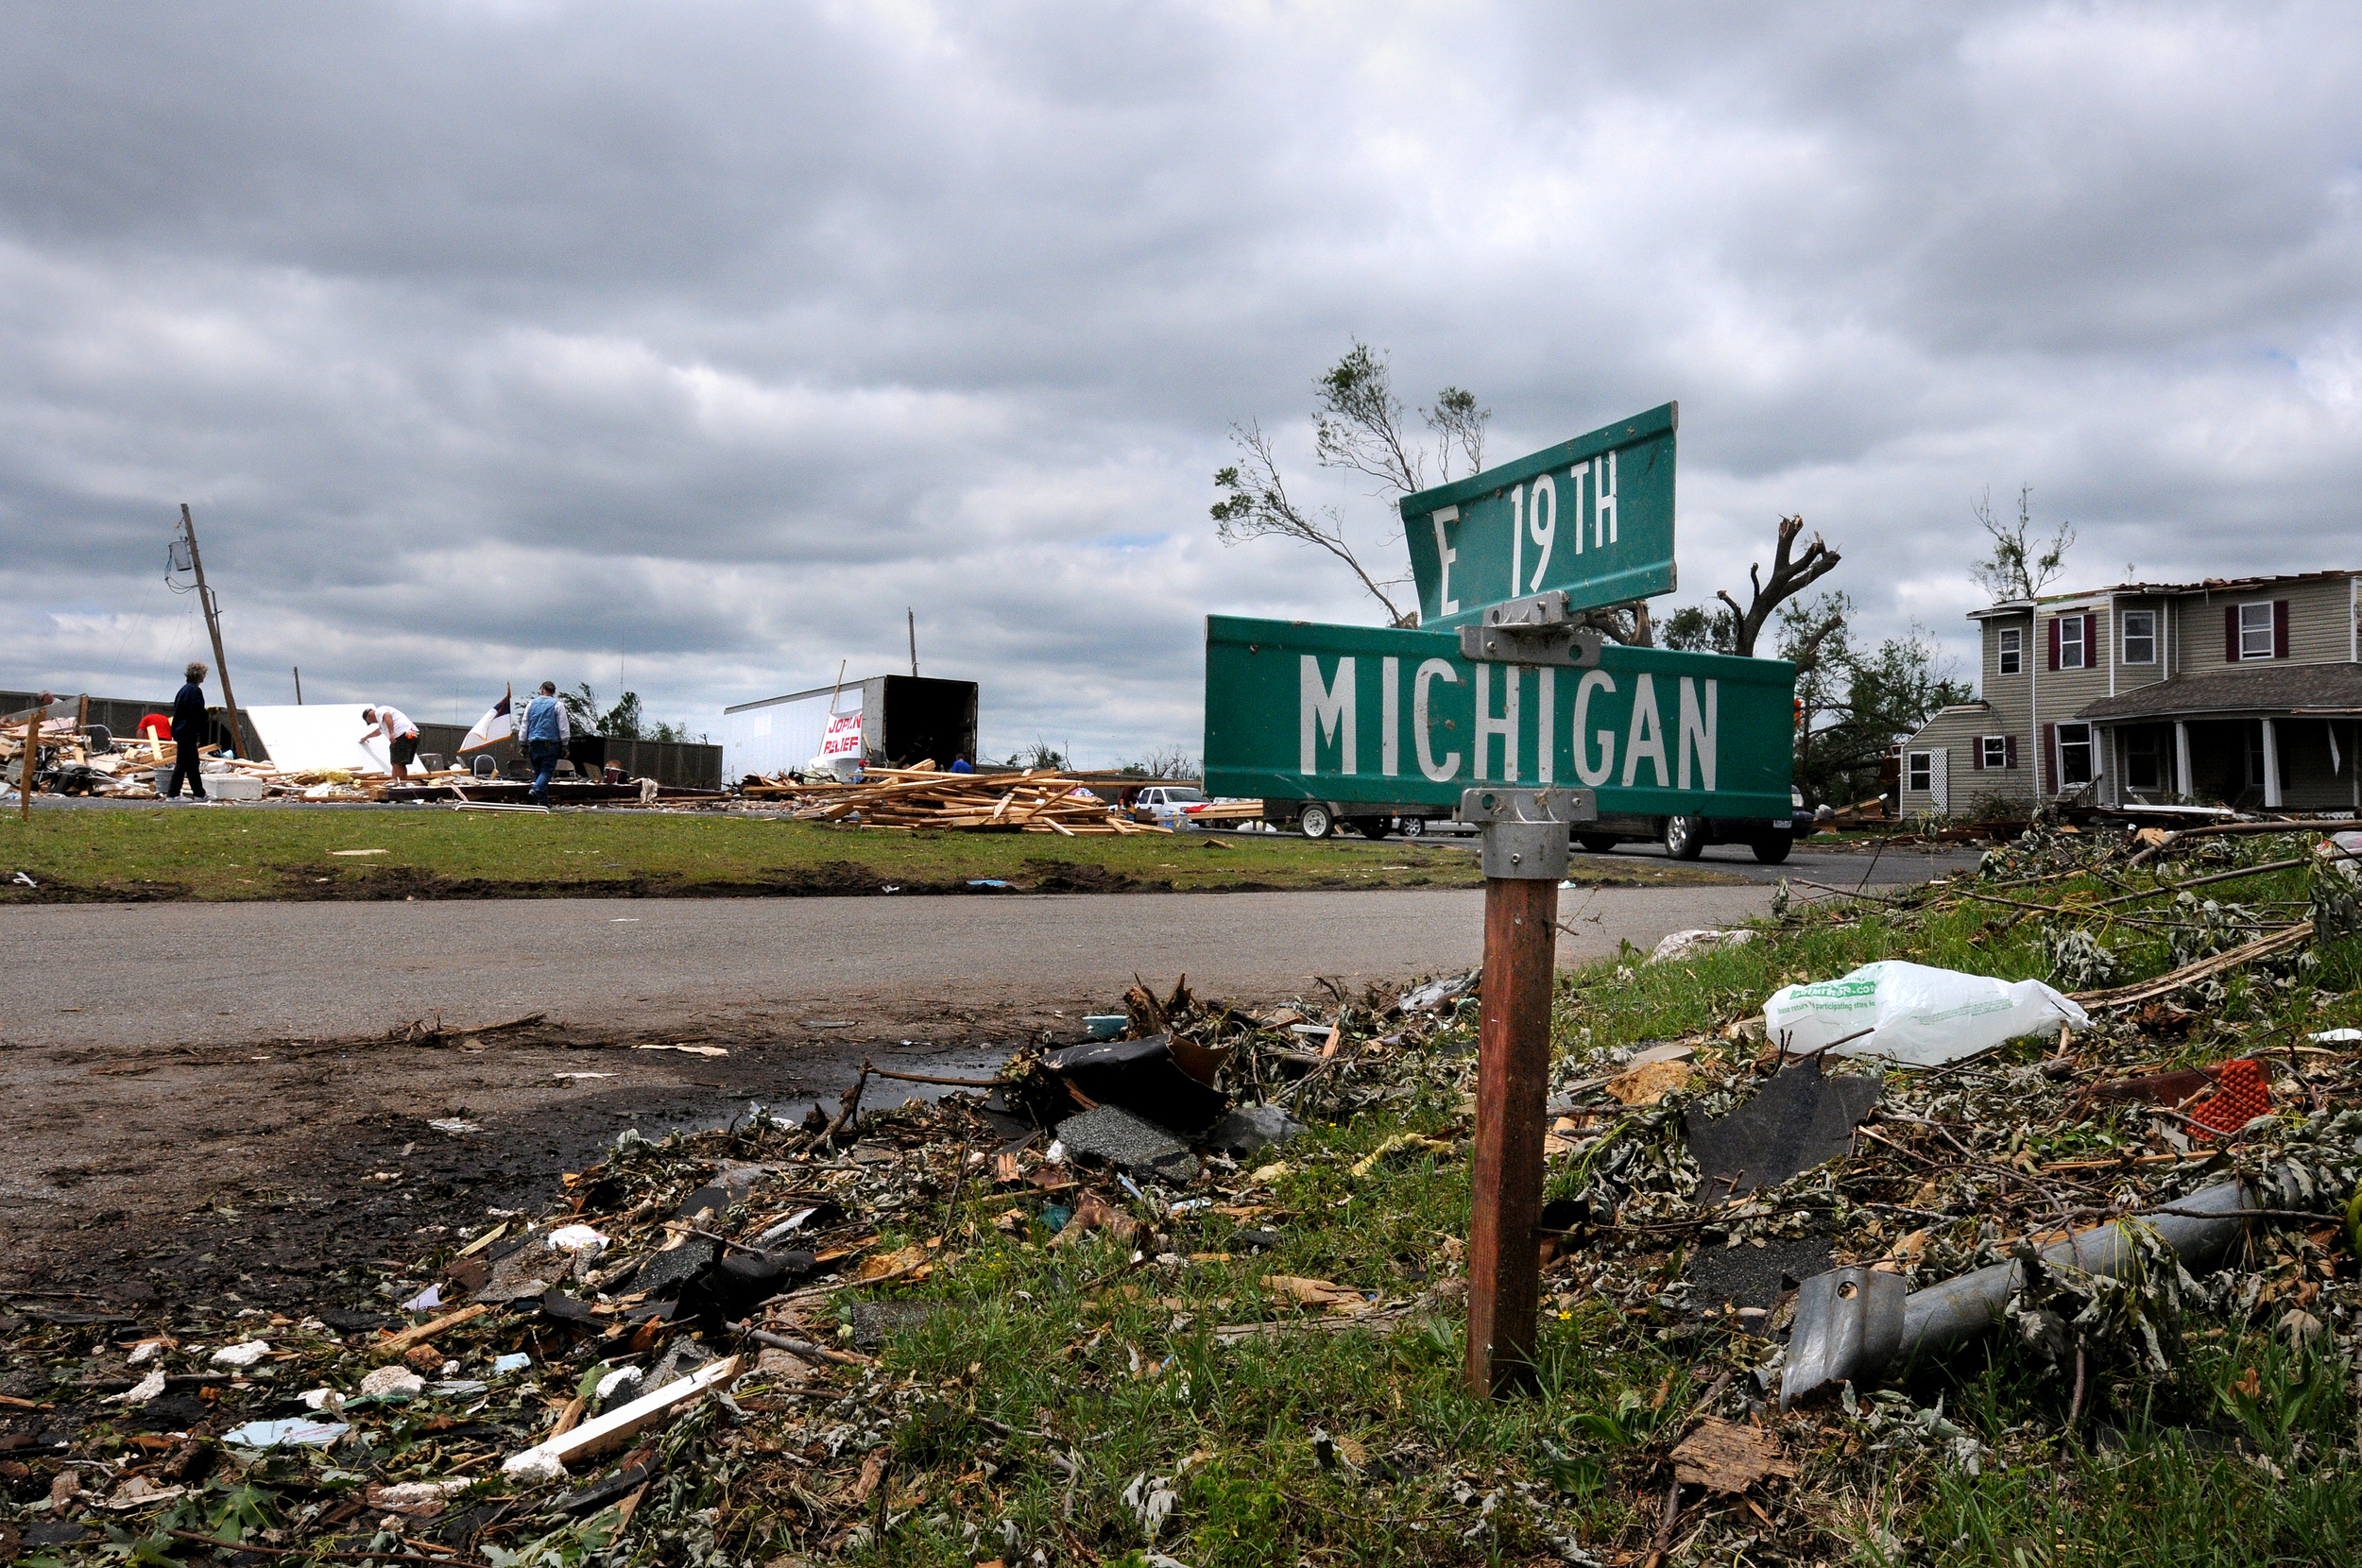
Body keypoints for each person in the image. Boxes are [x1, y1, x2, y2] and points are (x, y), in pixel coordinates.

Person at [522, 681, 571, 804]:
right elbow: (563, 727)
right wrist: (565, 744)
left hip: (534, 742)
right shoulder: (557, 705)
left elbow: (525, 724)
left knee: (538, 772)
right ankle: (535, 791)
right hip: (550, 743)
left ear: (542, 690)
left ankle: (542, 802)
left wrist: (523, 743)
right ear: (553, 692)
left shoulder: (531, 704)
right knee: (547, 771)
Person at [165, 663, 210, 801]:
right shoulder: (194, 691)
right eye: (204, 674)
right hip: (188, 731)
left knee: (192, 764)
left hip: (182, 730)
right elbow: (195, 710)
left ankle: (199, 794)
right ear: (199, 675)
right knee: (183, 763)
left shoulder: (184, 689)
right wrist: (207, 715)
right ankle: (173, 794)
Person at [358, 703, 421, 783]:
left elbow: (387, 716)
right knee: (402, 762)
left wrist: (392, 733)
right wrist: (366, 737)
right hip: (413, 734)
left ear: (369, 717)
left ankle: (395, 783)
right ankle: (402, 783)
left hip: (401, 734)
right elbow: (377, 732)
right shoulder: (383, 723)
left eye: (370, 721)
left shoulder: (379, 711)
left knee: (396, 762)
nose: (374, 723)